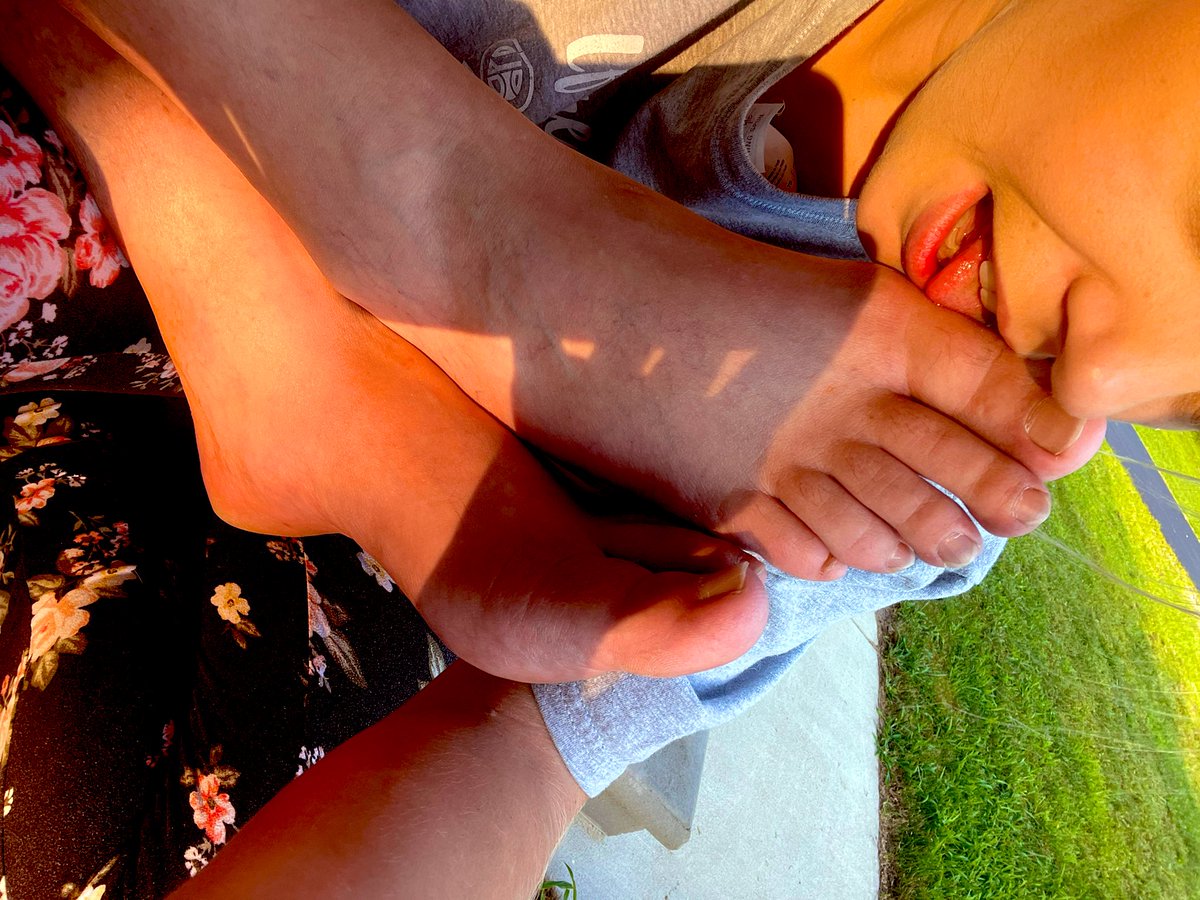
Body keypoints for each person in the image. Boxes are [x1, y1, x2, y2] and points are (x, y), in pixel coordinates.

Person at [0, 0, 1187, 896]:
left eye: (1193, 404)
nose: (1096, 381)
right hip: (131, 193)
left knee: (160, 840)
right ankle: (349, 283)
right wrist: (492, 230)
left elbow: (519, 747)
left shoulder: (942, 448)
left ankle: (315, 360)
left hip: (274, 496)